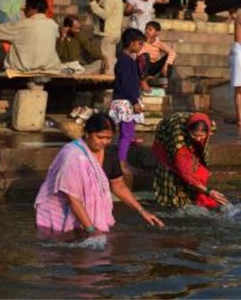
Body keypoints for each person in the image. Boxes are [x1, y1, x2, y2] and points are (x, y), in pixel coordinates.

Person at [34, 113, 164, 237]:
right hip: (61, 213)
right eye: (100, 137)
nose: (104, 142)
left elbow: (119, 186)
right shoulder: (73, 156)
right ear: (87, 133)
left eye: (109, 138)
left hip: (88, 215)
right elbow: (72, 197)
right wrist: (90, 229)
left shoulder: (110, 155)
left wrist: (142, 212)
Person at [152, 112, 230, 209]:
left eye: (202, 136)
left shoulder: (209, 124)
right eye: (194, 135)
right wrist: (208, 191)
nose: (198, 139)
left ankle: (192, 191)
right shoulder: (177, 138)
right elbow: (184, 170)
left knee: (194, 164)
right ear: (189, 130)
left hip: (187, 133)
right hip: (166, 136)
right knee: (173, 168)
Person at [109, 28, 144, 180]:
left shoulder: (129, 60)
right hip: (126, 100)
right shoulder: (125, 60)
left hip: (126, 99)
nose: (141, 46)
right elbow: (127, 83)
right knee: (126, 134)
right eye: (139, 43)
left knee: (128, 134)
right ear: (131, 43)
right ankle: (121, 163)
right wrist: (135, 101)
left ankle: (123, 161)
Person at [0, 0, 62, 72]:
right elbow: (57, 34)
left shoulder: (22, 24)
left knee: (8, 37)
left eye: (26, 8)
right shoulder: (53, 25)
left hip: (23, 69)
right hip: (50, 68)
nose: (24, 11)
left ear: (32, 9)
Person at [89, 0, 124, 75]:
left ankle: (107, 82)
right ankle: (108, 80)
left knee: (107, 62)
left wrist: (93, 2)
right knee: (110, 60)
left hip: (107, 33)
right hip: (114, 33)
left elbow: (104, 15)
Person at [137, 21, 176, 93]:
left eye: (150, 29)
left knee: (169, 57)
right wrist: (146, 43)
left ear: (156, 33)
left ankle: (163, 79)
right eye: (146, 29)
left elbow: (172, 53)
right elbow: (138, 54)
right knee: (145, 56)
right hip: (141, 67)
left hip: (153, 67)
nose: (147, 31)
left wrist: (166, 64)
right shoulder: (140, 41)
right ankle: (143, 80)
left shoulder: (158, 44)